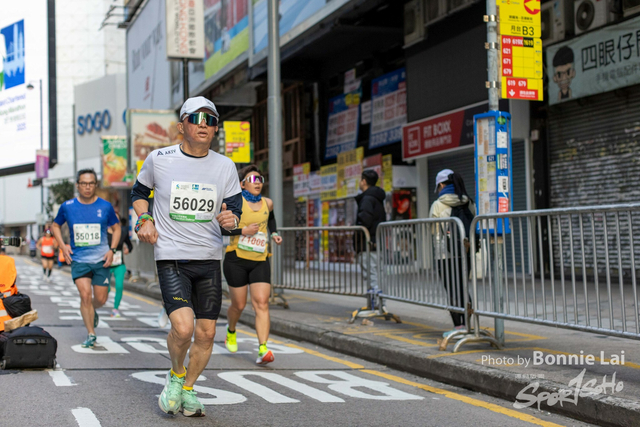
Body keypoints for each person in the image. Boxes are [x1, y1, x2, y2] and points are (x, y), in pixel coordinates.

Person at [132, 96, 242, 417]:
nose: (204, 125)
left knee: (207, 333)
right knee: (183, 329)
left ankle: (189, 388)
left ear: (216, 129)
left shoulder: (225, 166)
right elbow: (139, 193)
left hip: (209, 258)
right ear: (182, 126)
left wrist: (232, 219)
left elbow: (234, 209)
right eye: (196, 118)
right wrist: (144, 219)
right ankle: (176, 374)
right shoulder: (159, 158)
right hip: (172, 257)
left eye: (211, 120)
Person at [51, 169, 121, 348]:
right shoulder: (68, 206)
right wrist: (62, 245)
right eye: (84, 183)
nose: (87, 187)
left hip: (101, 259)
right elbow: (55, 225)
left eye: (91, 183)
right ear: (77, 185)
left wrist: (112, 250)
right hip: (79, 259)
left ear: (96, 185)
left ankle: (92, 310)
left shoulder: (105, 206)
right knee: (85, 296)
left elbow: (117, 228)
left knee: (101, 299)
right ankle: (91, 333)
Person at [222, 165, 283, 365]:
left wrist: (274, 233)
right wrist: (243, 231)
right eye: (253, 179)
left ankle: (263, 348)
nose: (257, 183)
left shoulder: (268, 203)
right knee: (239, 305)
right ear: (242, 184)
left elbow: (271, 219)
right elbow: (221, 229)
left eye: (260, 179)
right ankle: (231, 330)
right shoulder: (235, 203)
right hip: (236, 259)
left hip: (260, 259)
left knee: (262, 303)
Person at [429, 169, 475, 339]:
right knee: (463, 287)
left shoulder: (438, 205)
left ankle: (458, 326)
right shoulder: (468, 202)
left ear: (441, 185)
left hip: (445, 254)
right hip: (465, 251)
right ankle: (468, 325)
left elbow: (433, 229)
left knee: (452, 289)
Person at [355, 170, 386, 293]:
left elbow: (365, 221)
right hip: (376, 243)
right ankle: (379, 301)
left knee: (371, 275)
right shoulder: (377, 198)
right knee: (378, 274)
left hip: (367, 245)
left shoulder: (367, 199)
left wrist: (356, 238)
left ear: (364, 181)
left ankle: (374, 301)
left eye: (360, 180)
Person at [107, 214, 133, 317]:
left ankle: (115, 308)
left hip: (119, 264)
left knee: (119, 286)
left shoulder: (123, 232)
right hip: (106, 265)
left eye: (117, 220)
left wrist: (128, 249)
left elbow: (130, 245)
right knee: (106, 288)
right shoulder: (103, 233)